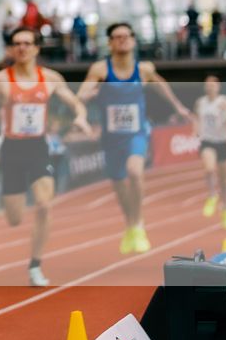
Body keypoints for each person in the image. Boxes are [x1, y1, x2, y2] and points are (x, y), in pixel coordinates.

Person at [0, 29, 93, 287]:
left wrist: (81, 116)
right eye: (17, 44)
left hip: (38, 148)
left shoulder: (51, 78)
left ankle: (35, 265)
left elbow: (76, 103)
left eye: (27, 43)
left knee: (44, 205)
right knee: (14, 218)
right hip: (11, 149)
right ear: (11, 49)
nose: (22, 48)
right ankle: (13, 203)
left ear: (36, 48)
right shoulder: (1, 79)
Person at [78, 21, 194, 254]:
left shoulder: (144, 69)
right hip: (111, 137)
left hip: (137, 132)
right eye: (117, 37)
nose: (122, 40)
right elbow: (80, 94)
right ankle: (130, 225)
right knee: (120, 186)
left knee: (135, 172)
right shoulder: (101, 69)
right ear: (110, 43)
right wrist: (89, 94)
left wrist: (178, 106)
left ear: (133, 40)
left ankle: (139, 224)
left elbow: (160, 84)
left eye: (126, 36)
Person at [196, 73, 226, 228]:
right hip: (207, 142)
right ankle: (212, 196)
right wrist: (196, 131)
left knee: (224, 181)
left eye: (212, 85)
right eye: (207, 85)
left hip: (222, 143)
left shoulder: (224, 101)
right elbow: (197, 119)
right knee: (209, 168)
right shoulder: (200, 102)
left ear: (218, 87)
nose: (210, 87)